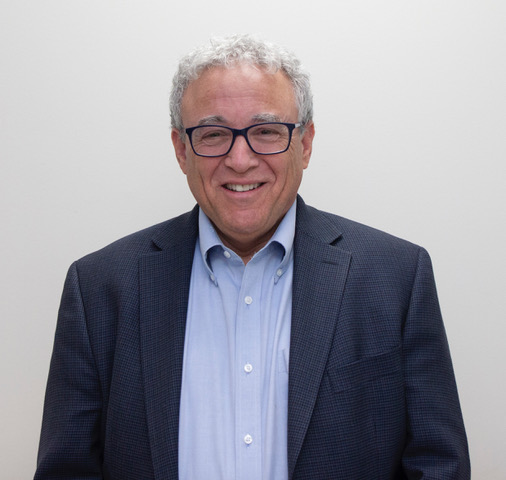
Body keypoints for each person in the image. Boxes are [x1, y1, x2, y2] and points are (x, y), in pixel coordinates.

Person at [35, 35, 470, 479]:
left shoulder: (396, 278)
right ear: (181, 150)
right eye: (213, 134)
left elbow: (438, 465)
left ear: (305, 143)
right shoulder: (100, 289)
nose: (240, 160)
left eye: (266, 131)